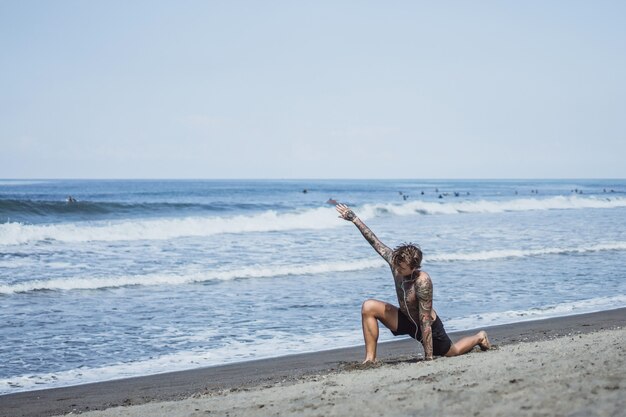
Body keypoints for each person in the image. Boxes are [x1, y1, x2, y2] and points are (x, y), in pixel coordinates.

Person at [335, 203, 491, 363]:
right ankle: (370, 359)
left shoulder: (422, 281)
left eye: (402, 268)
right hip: (404, 318)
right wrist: (354, 219)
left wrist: (428, 357)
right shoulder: (394, 261)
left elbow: (425, 320)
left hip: (426, 325)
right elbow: (374, 241)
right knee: (368, 307)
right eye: (396, 264)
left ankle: (480, 337)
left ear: (414, 268)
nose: (397, 269)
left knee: (452, 351)